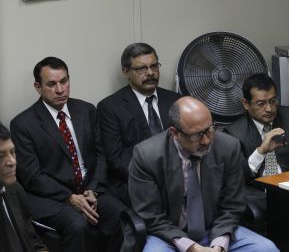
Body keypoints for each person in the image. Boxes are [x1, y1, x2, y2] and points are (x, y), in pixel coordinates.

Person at [129, 96, 279, 252]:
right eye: (196, 135)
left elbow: (233, 205)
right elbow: (152, 216)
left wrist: (219, 245)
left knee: (267, 248)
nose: (207, 141)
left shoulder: (228, 147)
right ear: (175, 133)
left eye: (209, 129)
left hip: (217, 229)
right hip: (169, 235)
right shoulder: (147, 155)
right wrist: (191, 247)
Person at [10, 57, 124, 252]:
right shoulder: (23, 124)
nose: (60, 89)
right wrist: (70, 197)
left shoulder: (86, 110)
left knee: (120, 214)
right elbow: (32, 176)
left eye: (64, 81)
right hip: (51, 198)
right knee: (77, 225)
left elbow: (100, 155)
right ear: (38, 87)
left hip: (89, 189)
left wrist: (93, 190)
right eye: (52, 84)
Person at [97, 43, 181, 206]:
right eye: (141, 69)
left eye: (154, 66)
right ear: (126, 72)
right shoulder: (110, 107)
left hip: (179, 180)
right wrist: (156, 178)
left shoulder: (175, 100)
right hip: (138, 184)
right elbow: (116, 159)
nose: (150, 73)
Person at [223, 73, 289, 211]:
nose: (269, 109)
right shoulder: (234, 133)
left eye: (273, 101)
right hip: (260, 195)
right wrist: (260, 152)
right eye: (261, 103)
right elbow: (235, 178)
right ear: (246, 104)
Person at [0, 122, 48, 252]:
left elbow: (31, 238)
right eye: (1, 156)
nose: (12, 161)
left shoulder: (14, 188)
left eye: (13, 152)